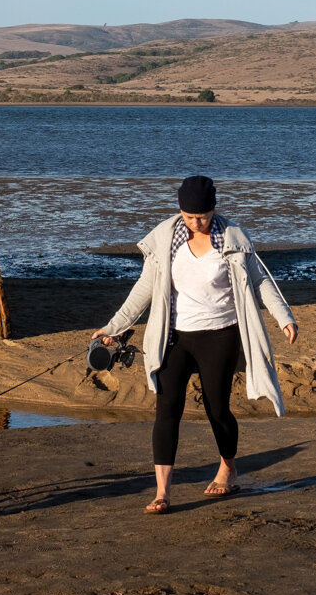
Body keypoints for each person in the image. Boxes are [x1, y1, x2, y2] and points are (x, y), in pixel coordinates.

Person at [93, 175, 299, 513]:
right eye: (189, 217)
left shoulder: (232, 238)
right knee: (167, 408)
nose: (195, 223)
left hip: (221, 334)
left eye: (201, 217)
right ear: (180, 211)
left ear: (213, 210)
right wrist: (114, 326)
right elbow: (143, 289)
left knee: (216, 409)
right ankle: (162, 492)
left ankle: (228, 467)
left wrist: (284, 317)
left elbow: (260, 281)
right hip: (175, 335)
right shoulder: (165, 239)